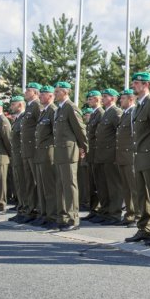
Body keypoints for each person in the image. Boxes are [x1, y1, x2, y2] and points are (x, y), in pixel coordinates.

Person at [124, 72, 150, 245]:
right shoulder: (138, 106)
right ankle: (145, 229)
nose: (134, 85)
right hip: (140, 156)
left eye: (137, 83)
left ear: (147, 85)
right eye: (134, 82)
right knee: (142, 196)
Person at [53, 82, 88, 231]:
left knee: (69, 185)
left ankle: (73, 219)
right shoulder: (59, 109)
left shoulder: (70, 107)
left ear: (65, 92)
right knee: (61, 185)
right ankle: (63, 217)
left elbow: (80, 129)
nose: (55, 94)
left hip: (69, 152)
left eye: (57, 91)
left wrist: (84, 147)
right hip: (60, 152)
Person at [93, 88, 124, 226]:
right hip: (102, 155)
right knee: (103, 186)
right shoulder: (106, 113)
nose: (102, 98)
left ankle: (115, 213)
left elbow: (121, 133)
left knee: (114, 186)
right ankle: (105, 211)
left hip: (111, 155)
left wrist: (117, 153)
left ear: (112, 98)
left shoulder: (116, 112)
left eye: (105, 96)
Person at [33, 85, 58, 229]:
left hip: (49, 153)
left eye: (43, 95)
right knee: (42, 186)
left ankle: (53, 215)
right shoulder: (45, 112)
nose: (40, 97)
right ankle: (45, 214)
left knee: (50, 187)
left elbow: (56, 134)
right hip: (41, 153)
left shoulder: (53, 111)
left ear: (50, 96)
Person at [116, 89, 138, 227]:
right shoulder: (125, 114)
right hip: (122, 157)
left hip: (130, 156)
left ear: (130, 99)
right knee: (126, 188)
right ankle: (129, 214)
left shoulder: (133, 112)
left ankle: (138, 215)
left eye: (122, 99)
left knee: (135, 188)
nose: (120, 101)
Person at [20, 83, 42, 222]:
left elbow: (40, 127)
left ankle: (38, 210)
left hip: (34, 149)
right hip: (27, 150)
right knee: (29, 181)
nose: (25, 92)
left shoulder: (37, 106)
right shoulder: (29, 106)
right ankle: (30, 209)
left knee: (36, 181)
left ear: (35, 92)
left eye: (28, 90)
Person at [84, 90, 104, 221]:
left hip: (98, 153)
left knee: (99, 184)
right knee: (92, 184)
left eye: (90, 99)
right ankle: (94, 209)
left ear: (97, 100)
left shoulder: (101, 113)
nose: (88, 101)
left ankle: (100, 210)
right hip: (92, 154)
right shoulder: (94, 114)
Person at [8, 96, 26, 221]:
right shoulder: (18, 119)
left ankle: (26, 210)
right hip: (16, 155)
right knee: (19, 183)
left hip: (22, 154)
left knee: (24, 184)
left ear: (20, 105)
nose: (11, 107)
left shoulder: (24, 117)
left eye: (13, 104)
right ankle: (21, 208)